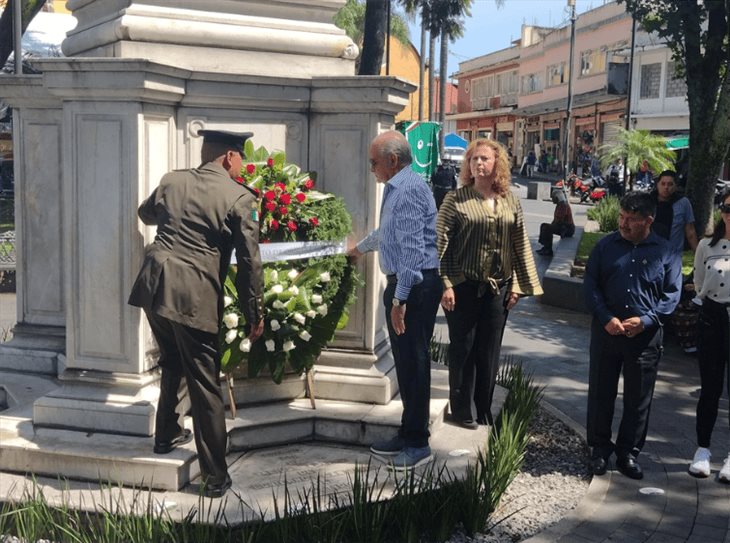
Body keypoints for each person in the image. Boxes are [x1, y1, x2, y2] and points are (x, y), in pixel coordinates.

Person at [128, 129, 265, 498]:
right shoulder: (240, 197)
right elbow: (250, 261)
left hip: (154, 283)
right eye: (241, 158)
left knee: (172, 359)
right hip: (193, 294)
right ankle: (215, 476)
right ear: (229, 158)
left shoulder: (172, 180)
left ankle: (166, 433)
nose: (243, 165)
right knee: (206, 385)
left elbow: (146, 213)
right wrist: (255, 313)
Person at [348, 130, 442, 470]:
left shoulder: (410, 190)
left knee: (415, 365)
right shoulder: (398, 188)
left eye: (374, 162)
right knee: (404, 364)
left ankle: (418, 443)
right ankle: (408, 431)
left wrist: (400, 300)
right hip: (407, 284)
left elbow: (414, 253)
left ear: (392, 160)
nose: (371, 168)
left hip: (414, 286)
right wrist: (358, 249)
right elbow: (389, 236)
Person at [436, 139, 542, 428]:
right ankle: (461, 410)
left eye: (484, 158)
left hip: (499, 288)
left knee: (489, 350)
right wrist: (447, 284)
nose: (478, 164)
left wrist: (518, 285)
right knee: (464, 348)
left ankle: (483, 408)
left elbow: (520, 244)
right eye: (473, 159)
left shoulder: (510, 200)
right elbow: (441, 245)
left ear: (498, 164)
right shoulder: (455, 200)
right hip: (463, 287)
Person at [584, 192, 681, 480]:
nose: (624, 224)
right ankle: (599, 449)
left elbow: (672, 294)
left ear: (648, 221)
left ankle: (628, 453)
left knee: (638, 399)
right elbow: (590, 286)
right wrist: (606, 318)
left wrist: (648, 320)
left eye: (631, 220)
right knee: (601, 392)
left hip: (644, 338)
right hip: (607, 332)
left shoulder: (666, 252)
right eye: (621, 217)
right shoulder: (605, 247)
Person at [687, 189, 730, 483]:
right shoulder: (706, 245)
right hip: (713, 319)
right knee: (710, 388)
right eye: (727, 207)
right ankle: (702, 450)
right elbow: (699, 282)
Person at [651, 170, 699, 256]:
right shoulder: (648, 201)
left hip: (673, 255)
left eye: (670, 184)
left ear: (675, 186)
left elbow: (690, 231)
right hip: (650, 253)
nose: (666, 187)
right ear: (657, 185)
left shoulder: (683, 203)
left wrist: (698, 256)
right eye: (663, 184)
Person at [537, 189, 575, 257]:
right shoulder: (560, 204)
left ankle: (548, 249)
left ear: (557, 198)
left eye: (553, 198)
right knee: (544, 226)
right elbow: (556, 220)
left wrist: (550, 226)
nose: (552, 199)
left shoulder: (563, 205)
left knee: (546, 228)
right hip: (564, 227)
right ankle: (545, 247)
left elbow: (559, 220)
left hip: (567, 229)